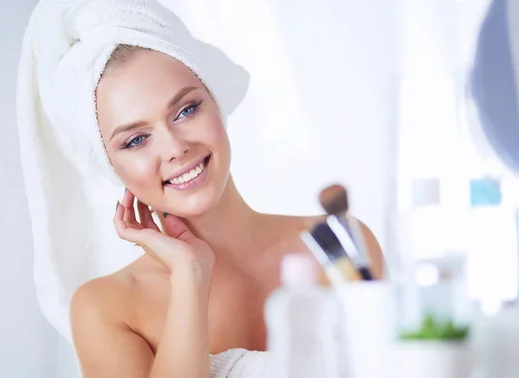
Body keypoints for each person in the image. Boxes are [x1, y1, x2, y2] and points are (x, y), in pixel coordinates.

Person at [68, 44, 384, 377]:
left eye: (186, 110)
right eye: (136, 140)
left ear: (217, 104)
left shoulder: (340, 243)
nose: (176, 148)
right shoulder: (106, 307)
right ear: (110, 165)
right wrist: (190, 276)